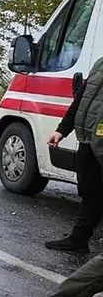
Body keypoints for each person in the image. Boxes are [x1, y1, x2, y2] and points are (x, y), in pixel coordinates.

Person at [44, 58, 103, 252]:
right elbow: (81, 99)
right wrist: (62, 130)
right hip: (88, 138)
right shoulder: (100, 63)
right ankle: (78, 239)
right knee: (89, 191)